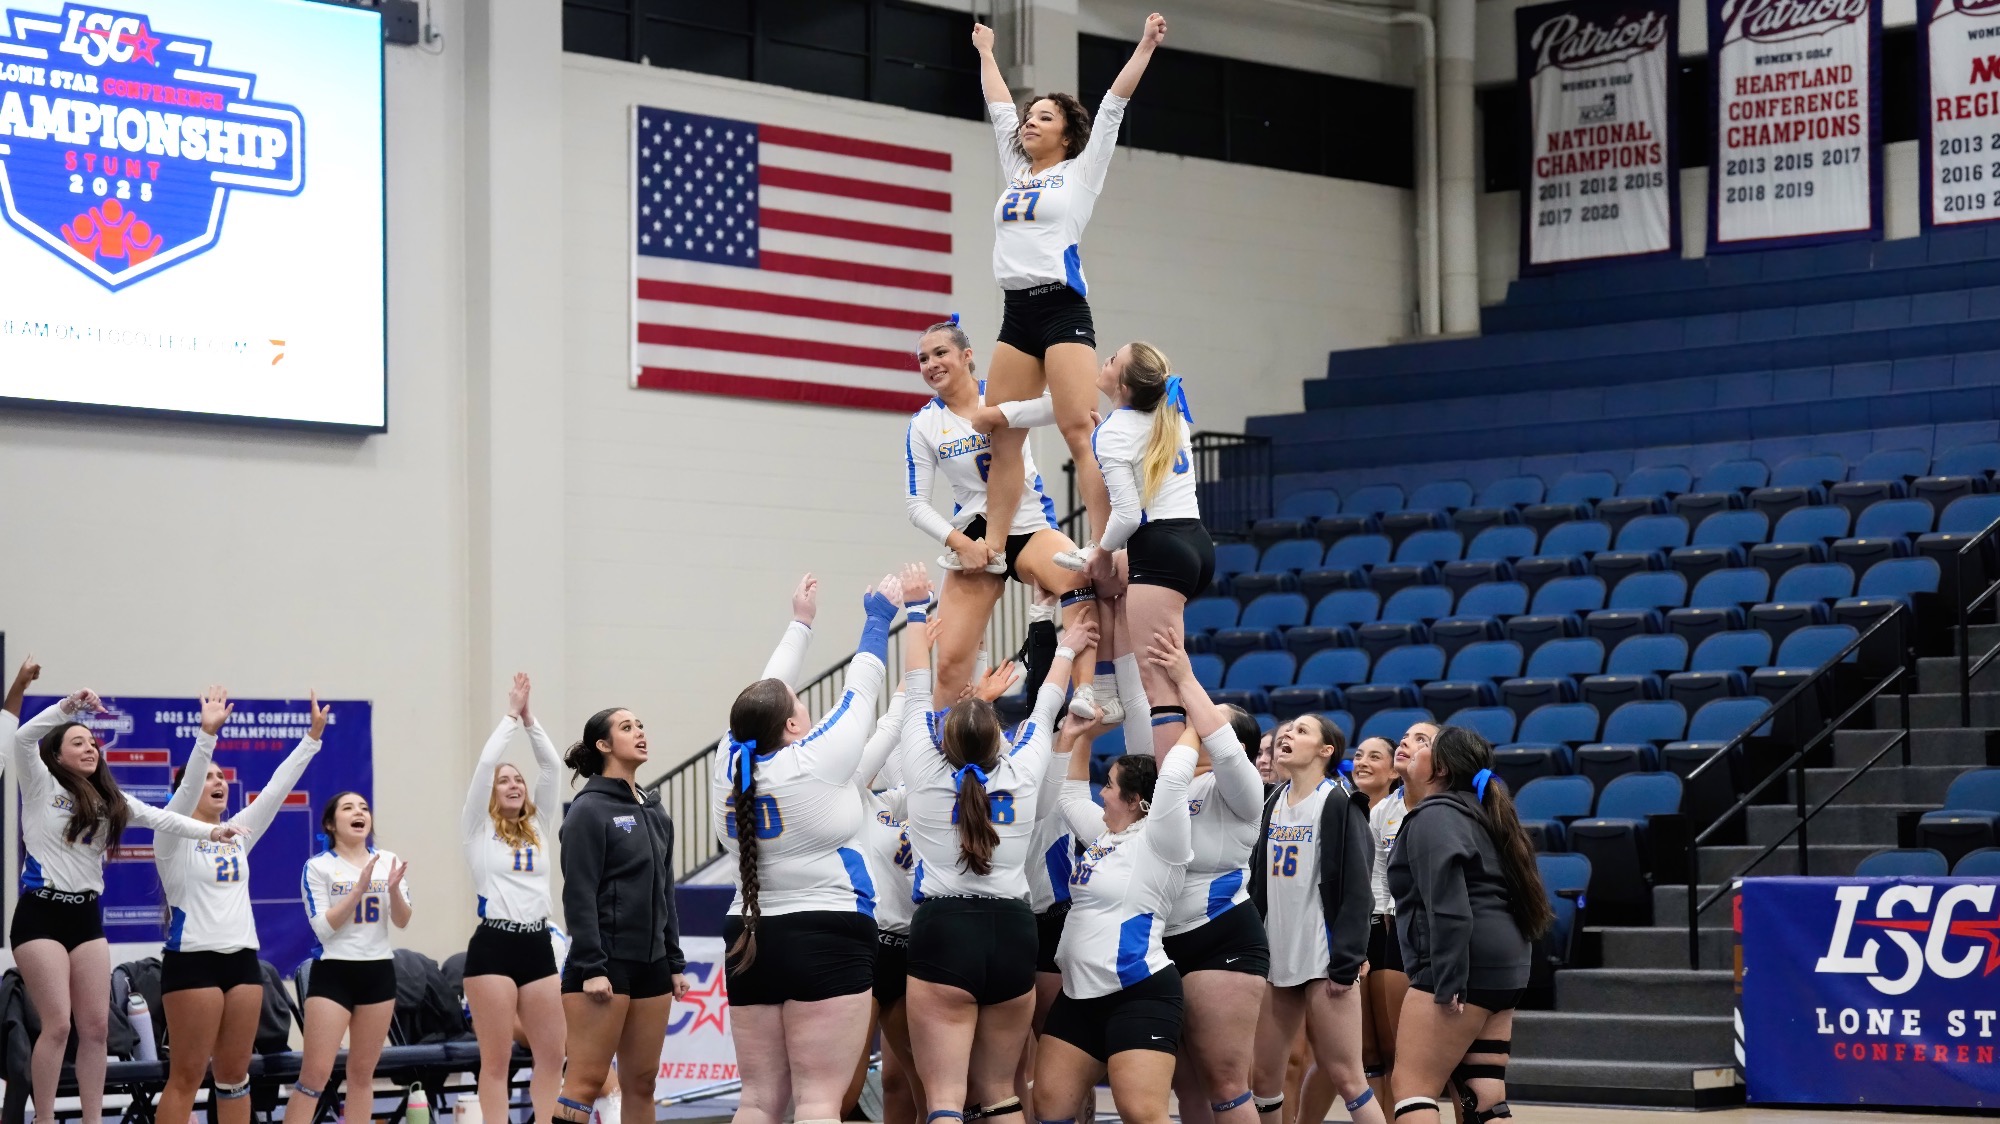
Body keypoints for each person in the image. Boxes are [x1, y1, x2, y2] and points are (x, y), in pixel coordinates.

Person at [7, 661, 247, 1124]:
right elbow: (20, 739)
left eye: (93, 742)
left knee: (96, 1028)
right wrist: (67, 708)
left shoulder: (110, 802)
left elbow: (165, 818)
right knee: (58, 1024)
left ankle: (94, 1120)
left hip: (85, 917)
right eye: (78, 742)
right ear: (57, 755)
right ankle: (43, 1119)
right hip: (41, 914)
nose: (90, 747)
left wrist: (209, 833)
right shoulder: (39, 785)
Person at [970, 12, 1167, 569]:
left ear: (1067, 133)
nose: (1030, 123)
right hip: (1016, 312)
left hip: (1062, 309)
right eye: (1030, 117)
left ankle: (1102, 548)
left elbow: (1113, 105)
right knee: (1001, 434)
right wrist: (986, 52)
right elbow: (999, 107)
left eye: (1045, 117)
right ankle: (994, 546)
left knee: (1077, 426)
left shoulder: (1082, 172)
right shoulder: (1017, 172)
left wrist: (1146, 46)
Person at [896, 564, 1090, 1124]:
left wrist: (915, 611)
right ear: (999, 740)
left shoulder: (927, 771)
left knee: (945, 1101)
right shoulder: (1023, 768)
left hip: (944, 930)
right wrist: (1068, 645)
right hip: (1011, 930)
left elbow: (914, 692)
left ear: (944, 739)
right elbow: (1047, 704)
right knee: (1002, 1091)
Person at [715, 568, 907, 1124]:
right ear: (794, 728)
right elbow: (862, 687)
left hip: (747, 932)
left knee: (757, 1100)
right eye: (799, 707)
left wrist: (800, 624)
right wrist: (878, 616)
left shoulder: (730, 765)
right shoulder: (814, 761)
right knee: (820, 1101)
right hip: (826, 930)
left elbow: (760, 698)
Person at [906, 320, 1109, 715]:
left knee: (1076, 576)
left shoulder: (999, 397)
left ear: (967, 356)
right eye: (923, 359)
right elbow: (916, 504)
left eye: (940, 353)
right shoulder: (924, 424)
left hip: (1027, 522)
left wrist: (1006, 414)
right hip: (976, 536)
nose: (931, 364)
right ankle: (939, 753)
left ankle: (1088, 691)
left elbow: (1065, 404)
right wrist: (960, 543)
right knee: (949, 665)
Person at [153, 687, 326, 1124]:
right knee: (187, 1078)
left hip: (243, 963)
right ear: (186, 791)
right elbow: (188, 785)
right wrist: (206, 737)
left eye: (221, 776)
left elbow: (274, 791)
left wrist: (312, 738)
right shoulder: (170, 838)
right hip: (193, 962)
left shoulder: (236, 833)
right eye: (208, 778)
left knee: (234, 1077)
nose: (219, 782)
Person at [1032, 690, 1197, 1124]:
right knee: (1050, 1109)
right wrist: (1075, 735)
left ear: (1135, 799)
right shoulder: (1105, 836)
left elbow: (1175, 779)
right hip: (1078, 994)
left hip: (1138, 993)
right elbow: (1068, 796)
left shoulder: (1159, 840)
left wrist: (1198, 725)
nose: (1101, 793)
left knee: (1141, 1113)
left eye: (1108, 786)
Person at [1388, 726, 1550, 1124]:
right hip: (1506, 966)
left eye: (1425, 744)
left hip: (1463, 964)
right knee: (1485, 1093)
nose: (1411, 746)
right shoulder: (1484, 812)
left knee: (1412, 1089)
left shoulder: (1435, 814)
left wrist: (1447, 978)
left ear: (1441, 766)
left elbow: (1449, 906)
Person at [1145, 640, 1269, 1124]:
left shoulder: (1241, 788)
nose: (1192, 727)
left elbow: (1218, 740)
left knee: (1225, 1083)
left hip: (1221, 937)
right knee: (1185, 1082)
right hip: (1166, 938)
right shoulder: (1177, 782)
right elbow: (1154, 721)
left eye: (1204, 722)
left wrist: (1184, 676)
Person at [555, 702, 690, 1124]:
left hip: (651, 966)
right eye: (627, 727)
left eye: (641, 725)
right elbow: (579, 893)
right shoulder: (588, 810)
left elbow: (665, 892)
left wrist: (673, 961)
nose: (640, 732)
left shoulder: (655, 811)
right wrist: (592, 965)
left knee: (642, 1083)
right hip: (603, 964)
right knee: (586, 1081)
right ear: (603, 744)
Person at [1246, 715, 1384, 1124]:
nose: (1287, 734)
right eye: (1287, 730)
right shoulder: (1272, 800)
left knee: (1347, 1076)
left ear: (1326, 751)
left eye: (1302, 731)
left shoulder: (1339, 802)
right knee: (1265, 1076)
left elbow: (1360, 892)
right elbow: (1258, 885)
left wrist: (1347, 959)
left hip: (1324, 959)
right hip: (1276, 955)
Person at [1077, 344, 1213, 756]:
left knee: (1162, 687)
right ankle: (1106, 686)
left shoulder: (1116, 431)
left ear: (1122, 384)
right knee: (1099, 585)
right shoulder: (1169, 415)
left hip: (1157, 552)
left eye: (1113, 359)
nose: (1105, 360)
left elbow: (1128, 516)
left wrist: (1102, 550)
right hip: (1193, 544)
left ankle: (1168, 793)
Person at [463, 673, 565, 1124]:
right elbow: (486, 765)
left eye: (517, 779)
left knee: (553, 1053)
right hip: (494, 947)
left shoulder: (540, 825)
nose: (512, 784)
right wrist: (508, 717)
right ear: (492, 792)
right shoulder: (477, 830)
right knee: (497, 1060)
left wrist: (530, 721)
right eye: (505, 780)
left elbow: (552, 768)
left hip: (536, 943)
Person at [289, 789, 413, 1124]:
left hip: (379, 974)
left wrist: (390, 891)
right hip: (335, 974)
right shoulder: (318, 867)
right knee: (314, 1076)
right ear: (330, 823)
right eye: (348, 808)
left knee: (362, 1075)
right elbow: (323, 928)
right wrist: (358, 889)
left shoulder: (388, 860)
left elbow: (402, 920)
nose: (359, 812)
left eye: (363, 807)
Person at [1351, 736, 1408, 1107]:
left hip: (1395, 927)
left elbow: (1388, 877)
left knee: (1394, 1046)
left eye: (1375, 756)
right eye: (1358, 755)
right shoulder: (1365, 812)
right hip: (1362, 926)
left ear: (1393, 771)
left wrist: (1388, 912)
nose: (1363, 762)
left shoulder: (1404, 809)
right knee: (1367, 1049)